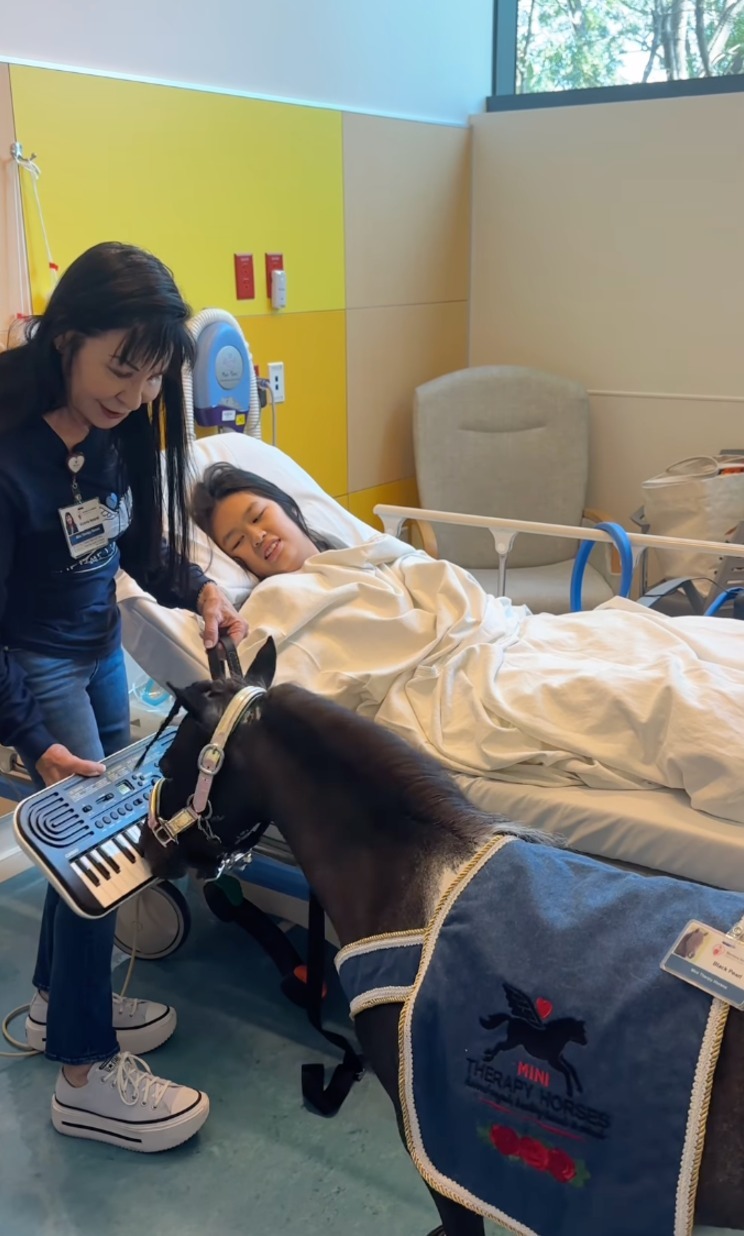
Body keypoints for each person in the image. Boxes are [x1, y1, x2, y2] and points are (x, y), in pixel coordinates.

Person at [0, 243, 247, 1153]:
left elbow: (130, 547)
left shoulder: (114, 436)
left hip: (101, 654)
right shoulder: (9, 457)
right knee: (94, 862)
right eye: (120, 367)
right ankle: (84, 1075)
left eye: (150, 378)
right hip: (37, 669)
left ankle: (54, 1005)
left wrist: (202, 588)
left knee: (103, 849)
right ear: (66, 337)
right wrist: (29, 735)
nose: (134, 393)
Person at [190, 463, 744, 829]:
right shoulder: (271, 606)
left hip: (506, 638)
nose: (256, 537)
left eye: (258, 516)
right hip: (454, 689)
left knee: (660, 639)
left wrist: (472, 627)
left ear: (287, 508)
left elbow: (452, 589)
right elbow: (301, 693)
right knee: (656, 697)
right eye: (237, 542)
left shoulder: (364, 553)